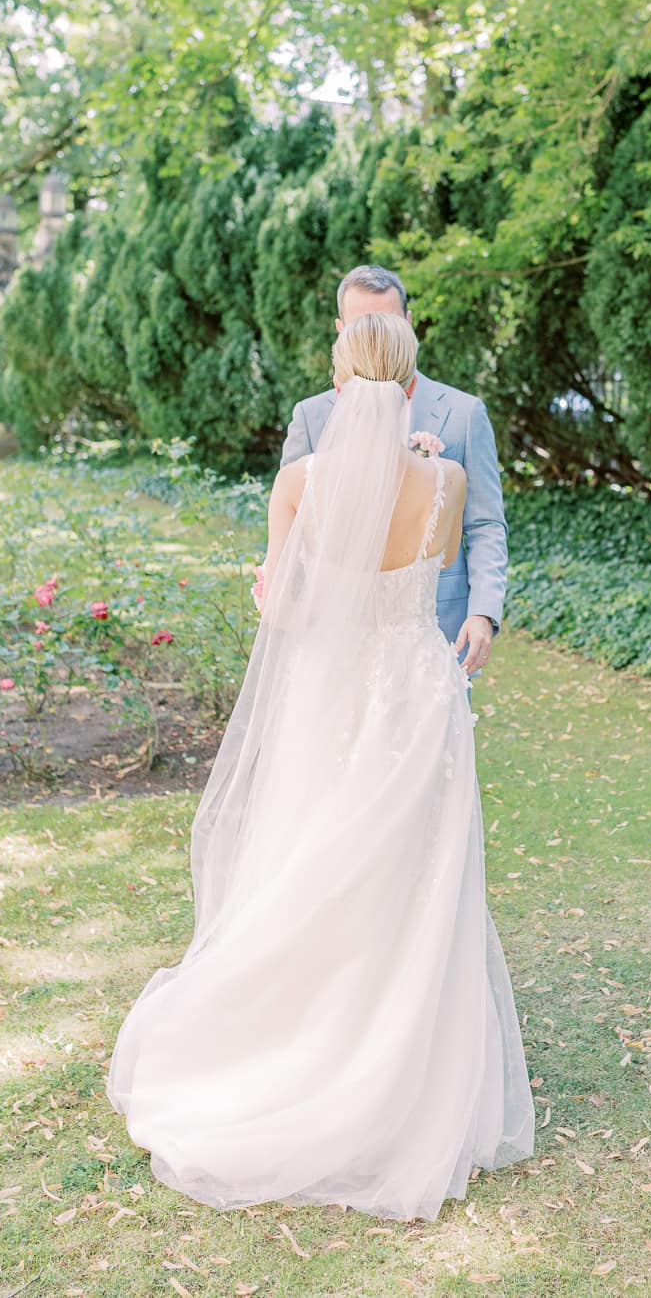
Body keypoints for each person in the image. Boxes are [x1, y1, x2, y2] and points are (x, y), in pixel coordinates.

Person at [106, 310, 535, 1221]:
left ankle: (297, 1044)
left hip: (331, 698)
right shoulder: (446, 476)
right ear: (410, 374)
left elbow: (286, 606)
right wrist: (414, 465)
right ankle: (405, 1073)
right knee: (418, 884)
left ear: (339, 378)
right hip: (418, 696)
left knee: (310, 863)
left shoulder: (300, 481)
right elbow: (445, 553)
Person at [279, 264, 507, 686]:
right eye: (362, 325)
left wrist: (483, 611)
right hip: (337, 640)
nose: (375, 337)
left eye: (385, 323)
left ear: (408, 324)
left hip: (434, 637)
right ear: (340, 330)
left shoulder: (462, 414)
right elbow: (293, 539)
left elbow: (486, 522)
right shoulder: (312, 417)